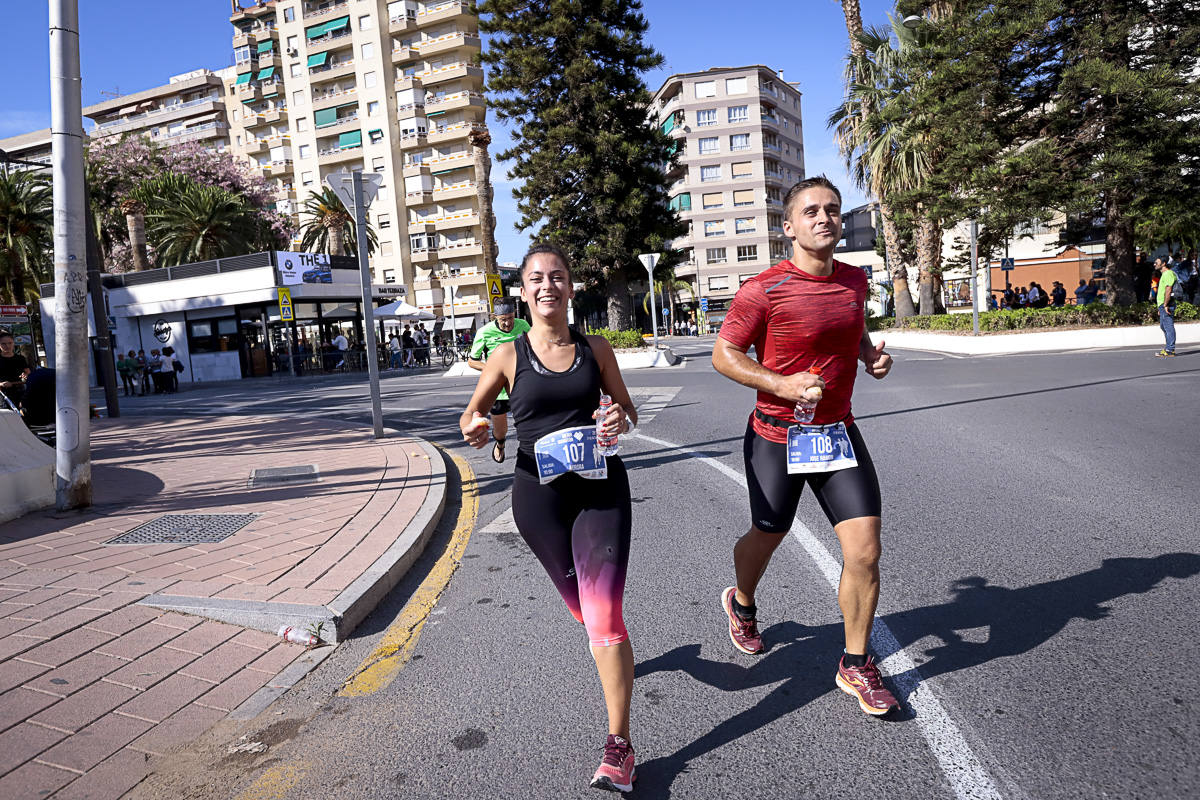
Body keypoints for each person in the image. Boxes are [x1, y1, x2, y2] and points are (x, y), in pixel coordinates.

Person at [711, 176, 899, 717]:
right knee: (769, 533)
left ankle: (855, 662)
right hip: (777, 435)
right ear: (789, 226)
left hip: (836, 432)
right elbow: (725, 355)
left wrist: (870, 357)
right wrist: (781, 384)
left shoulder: (854, 281)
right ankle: (741, 601)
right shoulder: (763, 288)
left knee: (864, 549)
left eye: (833, 210)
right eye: (811, 211)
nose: (824, 218)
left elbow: (852, 330)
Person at [459, 243, 640, 792]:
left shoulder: (597, 348)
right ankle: (614, 654)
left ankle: (620, 746)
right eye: (536, 278)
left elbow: (627, 412)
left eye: (557, 276)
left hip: (600, 491)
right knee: (584, 612)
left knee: (605, 617)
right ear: (522, 290)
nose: (547, 285)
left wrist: (615, 421)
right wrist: (473, 426)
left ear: (570, 287)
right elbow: (474, 413)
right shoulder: (508, 356)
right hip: (536, 501)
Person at [467, 299, 532, 463]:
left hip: (521, 384)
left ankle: (530, 454)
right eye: (503, 319)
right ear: (494, 317)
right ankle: (500, 445)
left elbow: (535, 348)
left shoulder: (523, 325)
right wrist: (494, 370)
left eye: (510, 318)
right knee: (501, 432)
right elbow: (472, 361)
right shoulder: (484, 332)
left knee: (528, 425)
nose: (508, 323)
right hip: (498, 390)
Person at [0, 331, 31, 408]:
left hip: (21, 393)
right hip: (2, 395)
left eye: (10, 343)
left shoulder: (20, 358)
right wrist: (1, 384)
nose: (7, 346)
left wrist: (25, 376)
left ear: (14, 343)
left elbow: (28, 374)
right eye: (3, 344)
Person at [1156, 257, 1177, 357]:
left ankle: (1170, 349)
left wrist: (1165, 305)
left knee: (1168, 326)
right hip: (1162, 305)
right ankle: (1169, 347)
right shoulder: (1164, 274)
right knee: (1163, 326)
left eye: (1157, 262)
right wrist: (1160, 307)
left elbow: (1168, 290)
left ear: (1163, 263)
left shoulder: (1168, 273)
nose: (1154, 264)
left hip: (1167, 304)